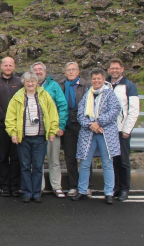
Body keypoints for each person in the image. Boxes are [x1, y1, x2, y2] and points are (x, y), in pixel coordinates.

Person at [5, 71, 59, 203]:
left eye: (33, 81)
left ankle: (36, 192)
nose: (30, 84)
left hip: (40, 137)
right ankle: (27, 192)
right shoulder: (17, 97)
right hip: (23, 138)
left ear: (37, 82)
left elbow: (53, 114)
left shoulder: (44, 96)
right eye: (28, 81)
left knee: (38, 166)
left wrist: (52, 132)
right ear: (24, 82)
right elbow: (10, 117)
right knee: (24, 166)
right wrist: (13, 133)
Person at [72, 68, 122, 205]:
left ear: (103, 79)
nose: (96, 81)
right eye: (94, 79)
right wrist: (90, 124)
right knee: (84, 163)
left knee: (107, 163)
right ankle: (82, 190)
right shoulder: (87, 95)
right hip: (89, 133)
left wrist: (98, 122)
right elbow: (80, 114)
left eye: (99, 78)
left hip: (105, 133)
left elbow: (115, 110)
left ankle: (109, 193)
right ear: (91, 80)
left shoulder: (109, 94)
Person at [31, 62, 69, 198]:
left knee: (54, 160)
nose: (38, 72)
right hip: (35, 131)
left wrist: (61, 126)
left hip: (52, 130)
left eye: (40, 70)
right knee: (37, 161)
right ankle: (39, 187)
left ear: (45, 72)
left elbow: (63, 106)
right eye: (35, 70)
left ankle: (57, 186)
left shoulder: (54, 86)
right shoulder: (29, 86)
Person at [0, 57, 23, 197]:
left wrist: (14, 121)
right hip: (1, 126)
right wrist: (6, 119)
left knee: (16, 157)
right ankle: (4, 186)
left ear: (14, 66)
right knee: (2, 157)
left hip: (17, 127)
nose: (8, 67)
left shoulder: (20, 82)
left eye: (10, 65)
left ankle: (15, 186)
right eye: (6, 65)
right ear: (1, 66)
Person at [107, 58, 140, 202]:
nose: (114, 70)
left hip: (122, 130)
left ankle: (124, 189)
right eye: (112, 68)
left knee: (123, 161)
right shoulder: (105, 85)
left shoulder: (129, 86)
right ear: (108, 70)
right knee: (112, 161)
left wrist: (127, 129)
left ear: (122, 69)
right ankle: (114, 188)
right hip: (108, 130)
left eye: (117, 68)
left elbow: (134, 110)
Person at [57, 62, 90, 198]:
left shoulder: (86, 85)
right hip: (68, 125)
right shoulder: (62, 86)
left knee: (85, 156)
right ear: (65, 72)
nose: (71, 72)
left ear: (78, 71)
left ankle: (87, 185)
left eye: (73, 70)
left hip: (83, 125)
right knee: (70, 156)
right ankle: (73, 185)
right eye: (68, 70)